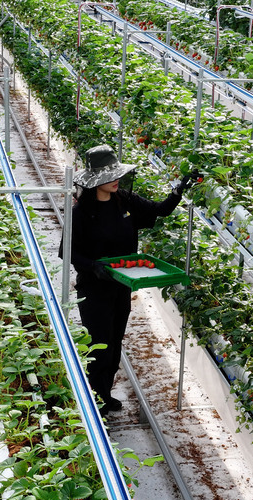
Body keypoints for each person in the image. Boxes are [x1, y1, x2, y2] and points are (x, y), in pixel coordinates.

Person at [67, 145, 199, 414]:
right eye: (109, 176)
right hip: (93, 288)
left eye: (116, 174)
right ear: (95, 182)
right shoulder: (81, 212)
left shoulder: (124, 200)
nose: (116, 180)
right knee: (99, 343)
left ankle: (104, 393)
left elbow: (160, 211)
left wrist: (178, 190)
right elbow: (68, 251)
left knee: (115, 341)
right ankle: (93, 397)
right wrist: (93, 267)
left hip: (122, 284)